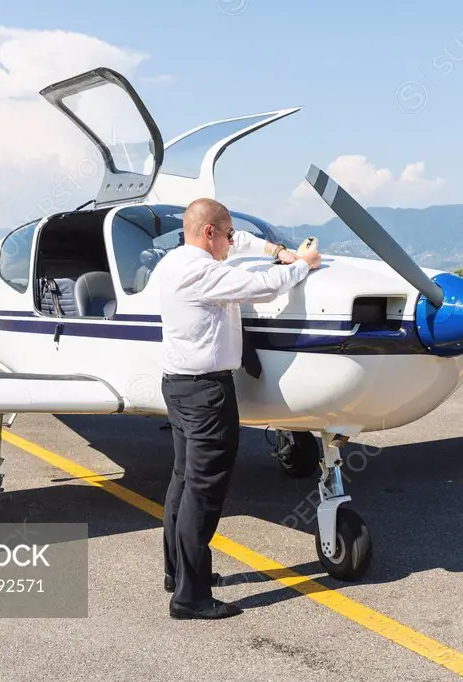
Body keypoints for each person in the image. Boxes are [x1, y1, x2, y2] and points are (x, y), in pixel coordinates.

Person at [154, 197, 322, 620]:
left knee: (183, 482)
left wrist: (276, 250)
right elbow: (263, 288)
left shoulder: (175, 261)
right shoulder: (202, 271)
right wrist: (302, 265)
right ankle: (190, 598)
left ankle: (178, 574)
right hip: (207, 395)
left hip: (178, 387)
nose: (233, 243)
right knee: (203, 493)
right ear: (209, 233)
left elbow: (240, 239)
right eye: (227, 236)